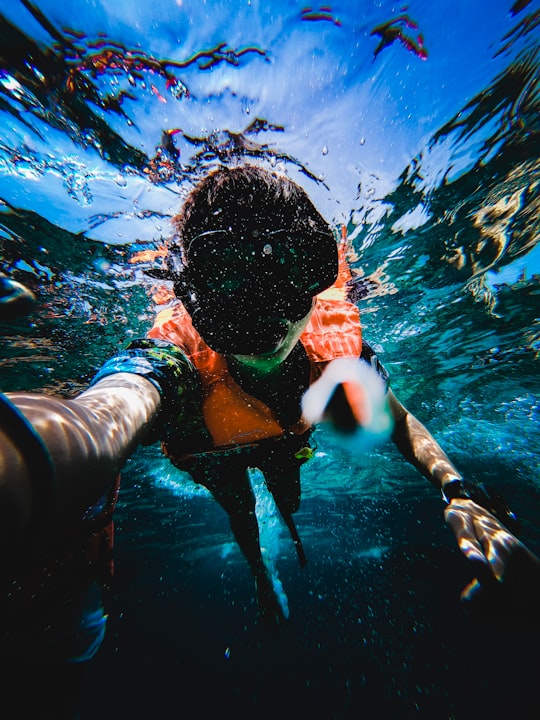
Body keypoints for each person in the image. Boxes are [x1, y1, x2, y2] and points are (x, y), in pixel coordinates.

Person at [1, 165, 539, 633]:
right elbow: (112, 408)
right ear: (192, 295)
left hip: (282, 440)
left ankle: (284, 540)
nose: (268, 315)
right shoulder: (179, 359)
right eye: (230, 279)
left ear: (316, 277)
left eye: (291, 270)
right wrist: (34, 453)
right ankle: (259, 569)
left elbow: (396, 417)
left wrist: (458, 492)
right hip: (210, 449)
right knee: (237, 507)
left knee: (288, 494)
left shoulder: (333, 352)